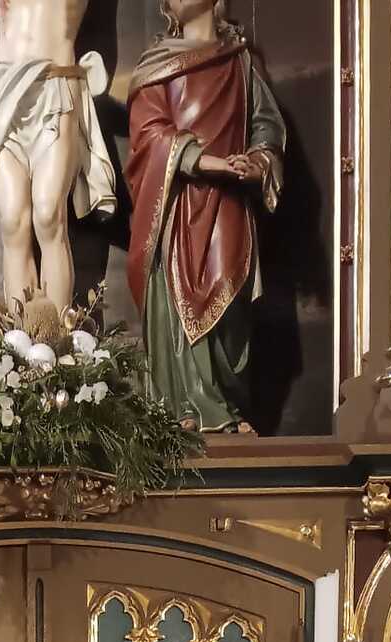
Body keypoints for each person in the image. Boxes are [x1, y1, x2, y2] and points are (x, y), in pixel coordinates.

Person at [126, 1, 285, 433]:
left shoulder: (240, 62)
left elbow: (266, 127)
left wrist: (258, 162)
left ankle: (222, 406)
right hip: (174, 208)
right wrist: (205, 160)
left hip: (227, 207)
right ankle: (183, 409)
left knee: (226, 302)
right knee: (175, 307)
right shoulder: (155, 64)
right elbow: (148, 134)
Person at [0, 0, 117, 310]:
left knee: (49, 215)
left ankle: (57, 333)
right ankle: (21, 334)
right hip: (4, 91)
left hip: (55, 86)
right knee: (13, 221)